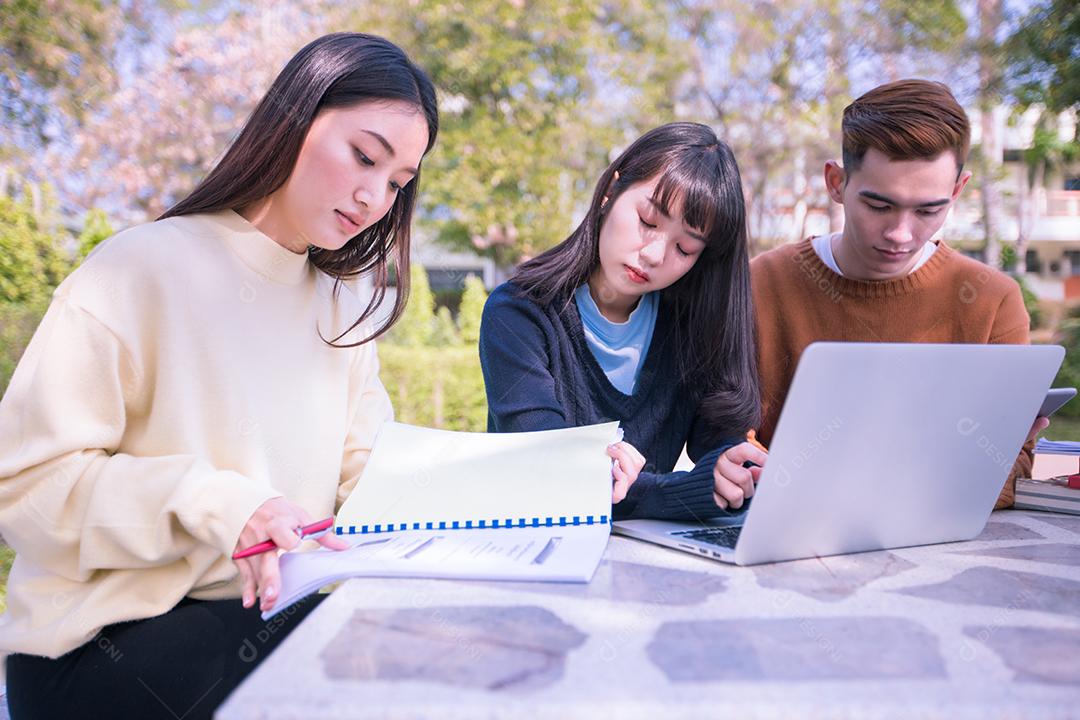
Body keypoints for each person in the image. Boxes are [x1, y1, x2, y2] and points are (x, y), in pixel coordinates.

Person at [0, 32, 438, 719]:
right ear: (294, 117)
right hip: (95, 644)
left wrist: (552, 474)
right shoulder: (136, 270)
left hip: (260, 620)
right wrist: (218, 506)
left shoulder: (342, 308)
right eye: (364, 156)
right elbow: (26, 484)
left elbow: (373, 475)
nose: (374, 197)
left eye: (397, 183)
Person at [751, 78, 1045, 509]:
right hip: (782, 530)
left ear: (958, 192)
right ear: (836, 182)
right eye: (879, 205)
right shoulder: (763, 282)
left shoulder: (992, 301)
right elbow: (723, 440)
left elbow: (1012, 466)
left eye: (929, 210)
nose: (900, 234)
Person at [480, 123, 767, 521]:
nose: (653, 254)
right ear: (611, 192)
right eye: (648, 221)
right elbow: (546, 468)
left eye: (684, 248)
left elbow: (718, 446)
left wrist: (731, 473)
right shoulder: (519, 312)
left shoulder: (691, 326)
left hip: (644, 562)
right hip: (529, 553)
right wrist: (681, 492)